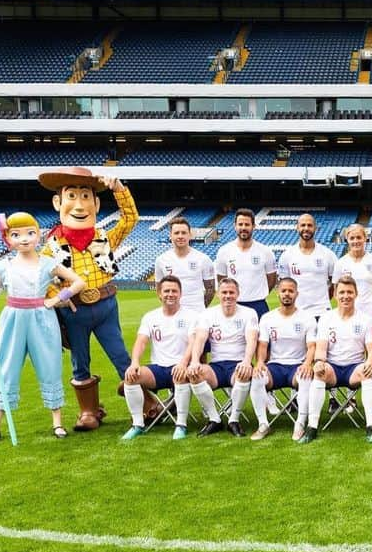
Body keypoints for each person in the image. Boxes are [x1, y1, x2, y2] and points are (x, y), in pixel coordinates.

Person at [39, 166, 138, 431]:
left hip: (106, 305)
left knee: (121, 356)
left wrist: (119, 189)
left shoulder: (105, 237)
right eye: (72, 196)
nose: (80, 205)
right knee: (79, 361)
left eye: (86, 197)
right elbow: (45, 281)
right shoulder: (51, 247)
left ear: (95, 203)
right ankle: (89, 411)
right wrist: (60, 298)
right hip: (75, 310)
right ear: (58, 202)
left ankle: (143, 403)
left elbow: (130, 219)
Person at [0, 211, 85, 443]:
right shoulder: (3, 266)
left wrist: (56, 300)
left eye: (30, 233)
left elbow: (78, 282)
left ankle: (57, 423)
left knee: (50, 366)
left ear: (38, 235)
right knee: (5, 369)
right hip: (13, 319)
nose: (24, 239)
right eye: (16, 234)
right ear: (9, 239)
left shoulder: (48, 263)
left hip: (42, 319)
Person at [301, 275, 372, 444]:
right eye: (342, 292)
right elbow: (321, 348)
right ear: (335, 294)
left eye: (350, 292)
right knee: (319, 374)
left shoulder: (365, 319)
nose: (346, 296)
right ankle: (312, 426)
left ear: (356, 294)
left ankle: (371, 426)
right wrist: (319, 362)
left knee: (368, 374)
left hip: (354, 368)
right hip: (333, 368)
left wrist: (370, 363)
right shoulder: (326, 318)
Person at [121, 276, 197, 441]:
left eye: (174, 291)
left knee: (180, 375)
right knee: (131, 378)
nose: (170, 294)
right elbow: (141, 342)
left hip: (181, 366)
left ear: (180, 294)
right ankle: (138, 424)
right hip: (159, 368)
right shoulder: (150, 317)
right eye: (167, 291)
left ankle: (181, 424)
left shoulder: (191, 316)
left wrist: (183, 363)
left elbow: (193, 343)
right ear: (159, 294)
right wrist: (134, 363)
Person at [188, 278, 259, 438]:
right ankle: (214, 419)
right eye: (224, 292)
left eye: (231, 292)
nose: (228, 296)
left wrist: (247, 361)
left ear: (238, 294)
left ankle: (234, 420)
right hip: (217, 366)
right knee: (194, 373)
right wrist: (194, 362)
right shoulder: (207, 314)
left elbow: (252, 339)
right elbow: (199, 339)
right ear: (218, 294)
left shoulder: (249, 313)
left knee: (244, 372)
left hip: (238, 364)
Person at [249, 277, 316, 441]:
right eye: (284, 291)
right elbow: (263, 345)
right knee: (257, 377)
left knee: (306, 377)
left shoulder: (307, 318)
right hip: (275, 367)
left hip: (297, 366)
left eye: (291, 291)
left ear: (296, 294)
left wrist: (308, 363)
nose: (287, 294)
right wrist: (259, 363)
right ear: (278, 293)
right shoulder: (267, 318)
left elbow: (312, 346)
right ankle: (263, 424)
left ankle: (300, 423)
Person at [215, 208, 277, 320]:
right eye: (240, 224)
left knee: (260, 337)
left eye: (247, 224)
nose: (243, 228)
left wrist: (257, 294)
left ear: (253, 226)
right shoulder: (224, 251)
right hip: (234, 304)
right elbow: (221, 279)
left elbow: (271, 280)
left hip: (258, 305)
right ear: (235, 226)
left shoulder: (266, 252)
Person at [276, 212, 337, 318]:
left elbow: (335, 283)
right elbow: (283, 285)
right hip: (296, 312)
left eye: (309, 225)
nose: (306, 228)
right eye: (303, 225)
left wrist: (325, 298)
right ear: (297, 227)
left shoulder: (328, 254)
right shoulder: (287, 255)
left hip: (322, 312)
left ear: (315, 228)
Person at [153, 216, 215, 313]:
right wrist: (171, 306)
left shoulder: (203, 259)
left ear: (190, 235)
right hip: (173, 314)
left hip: (196, 313)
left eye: (184, 233)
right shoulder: (161, 260)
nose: (180, 236)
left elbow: (210, 290)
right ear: (171, 235)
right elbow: (159, 289)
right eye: (176, 233)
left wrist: (200, 308)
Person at [333, 223, 372, 322]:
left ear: (365, 238)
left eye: (359, 237)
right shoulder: (340, 263)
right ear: (347, 240)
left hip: (371, 316)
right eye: (352, 238)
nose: (356, 241)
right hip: (349, 317)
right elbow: (336, 291)